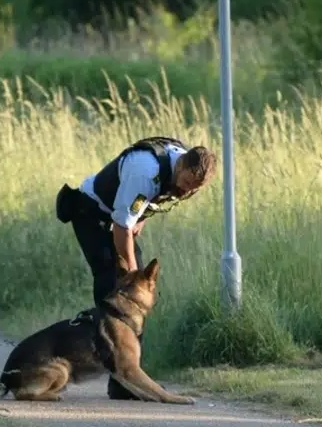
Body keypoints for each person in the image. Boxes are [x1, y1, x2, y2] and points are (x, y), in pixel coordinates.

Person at [54, 136, 219, 399]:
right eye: (187, 183)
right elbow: (121, 225)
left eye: (194, 189)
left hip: (120, 217)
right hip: (93, 214)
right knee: (118, 288)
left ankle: (131, 375)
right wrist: (133, 273)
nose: (187, 191)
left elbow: (143, 205)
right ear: (182, 167)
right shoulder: (146, 170)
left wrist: (140, 219)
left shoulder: (186, 167)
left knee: (139, 296)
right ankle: (122, 380)